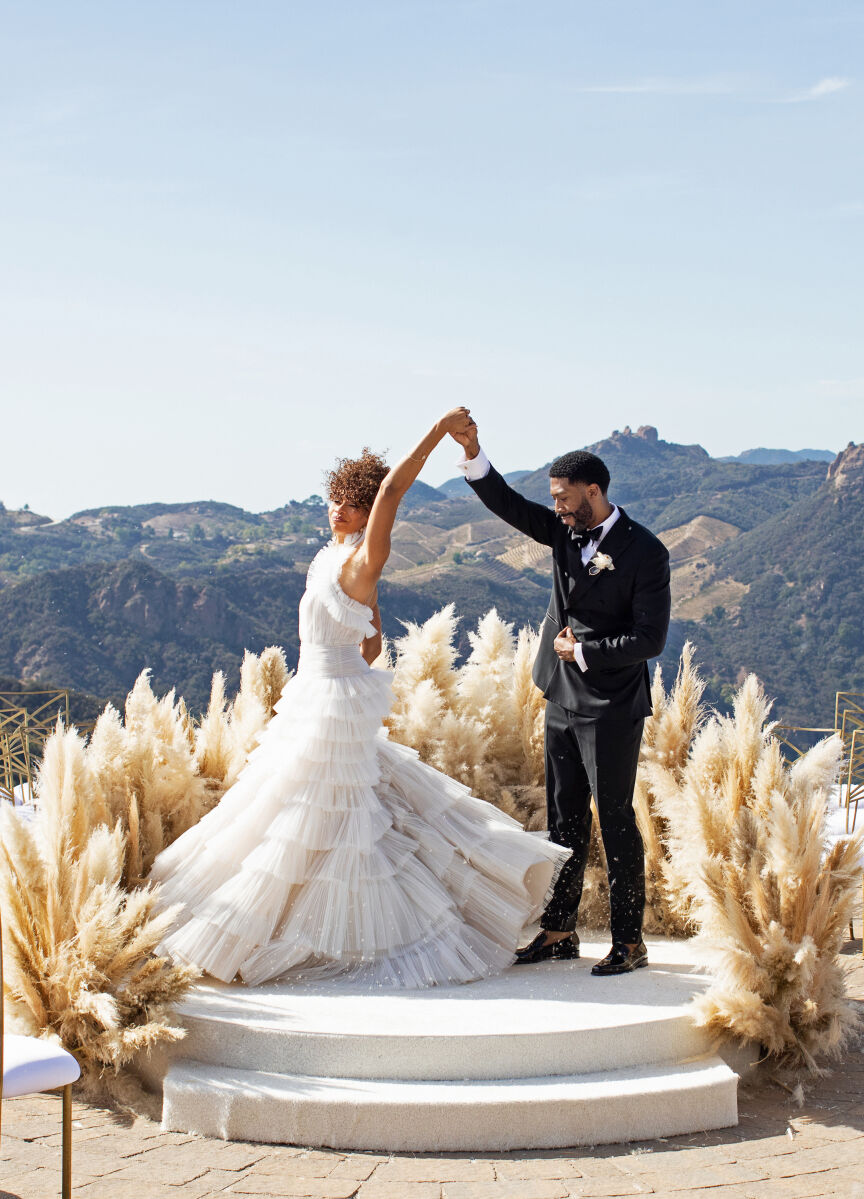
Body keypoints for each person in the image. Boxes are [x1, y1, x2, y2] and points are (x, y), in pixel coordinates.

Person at [149, 408, 569, 988]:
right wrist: (342, 651)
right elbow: (370, 645)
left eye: (352, 503)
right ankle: (280, 925)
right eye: (336, 499)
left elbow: (396, 486)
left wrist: (440, 431)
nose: (338, 510)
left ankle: (336, 938)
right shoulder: (330, 556)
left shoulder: (366, 557)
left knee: (332, 818)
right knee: (292, 819)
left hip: (332, 701)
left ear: (372, 512)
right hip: (315, 691)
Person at [453, 418, 670, 975]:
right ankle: (559, 931)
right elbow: (509, 505)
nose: (557, 508)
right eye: (553, 499)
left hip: (612, 702)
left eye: (564, 498)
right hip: (560, 695)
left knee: (616, 819)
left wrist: (585, 652)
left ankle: (629, 942)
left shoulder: (646, 551)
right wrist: (474, 454)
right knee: (562, 817)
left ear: (593, 493)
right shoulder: (562, 531)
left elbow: (651, 639)